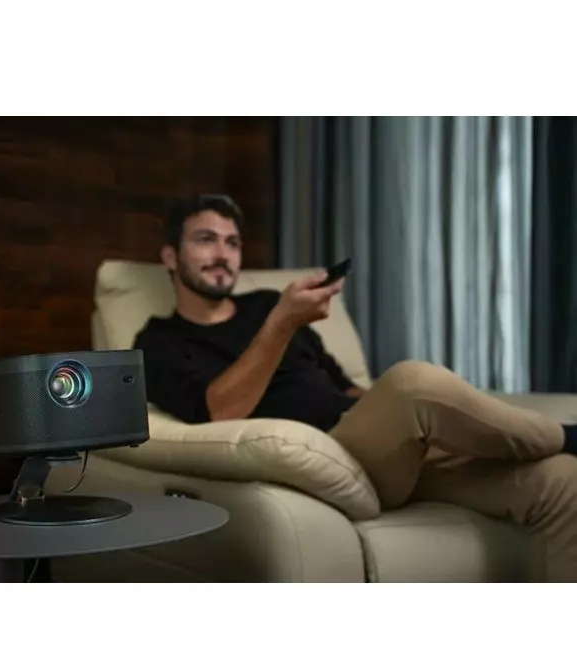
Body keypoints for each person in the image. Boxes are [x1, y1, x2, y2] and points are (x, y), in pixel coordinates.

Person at [133, 193, 577, 581]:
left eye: (232, 243)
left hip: (382, 443)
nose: (223, 254)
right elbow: (219, 412)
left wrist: (415, 416)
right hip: (336, 457)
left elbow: (345, 390)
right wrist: (282, 323)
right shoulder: (158, 342)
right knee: (412, 381)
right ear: (170, 256)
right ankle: (564, 434)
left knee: (562, 481)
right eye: (206, 240)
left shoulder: (266, 303)